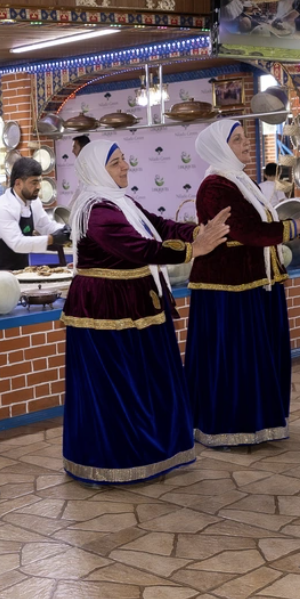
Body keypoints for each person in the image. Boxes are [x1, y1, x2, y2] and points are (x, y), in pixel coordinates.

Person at [61, 139, 229, 484]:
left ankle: (155, 450)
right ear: (96, 170)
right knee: (120, 385)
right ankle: (120, 458)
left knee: (147, 379)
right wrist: (194, 249)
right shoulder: (97, 210)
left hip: (138, 298)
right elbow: (139, 248)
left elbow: (159, 226)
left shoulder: (121, 202)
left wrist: (200, 230)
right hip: (106, 308)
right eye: (116, 163)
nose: (125, 167)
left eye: (124, 159)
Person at [186, 120, 300, 448]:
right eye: (238, 139)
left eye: (246, 137)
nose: (247, 144)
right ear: (219, 147)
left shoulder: (238, 181)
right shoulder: (216, 186)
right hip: (227, 290)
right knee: (234, 360)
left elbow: (258, 228)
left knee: (256, 359)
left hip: (253, 284)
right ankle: (230, 427)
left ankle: (259, 424)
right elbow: (245, 231)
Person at [0, 156, 70, 271]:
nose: (38, 187)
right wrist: (52, 239)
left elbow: (46, 226)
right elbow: (18, 243)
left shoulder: (34, 202)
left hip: (20, 270)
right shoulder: (2, 207)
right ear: (18, 183)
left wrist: (67, 230)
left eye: (39, 181)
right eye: (34, 182)